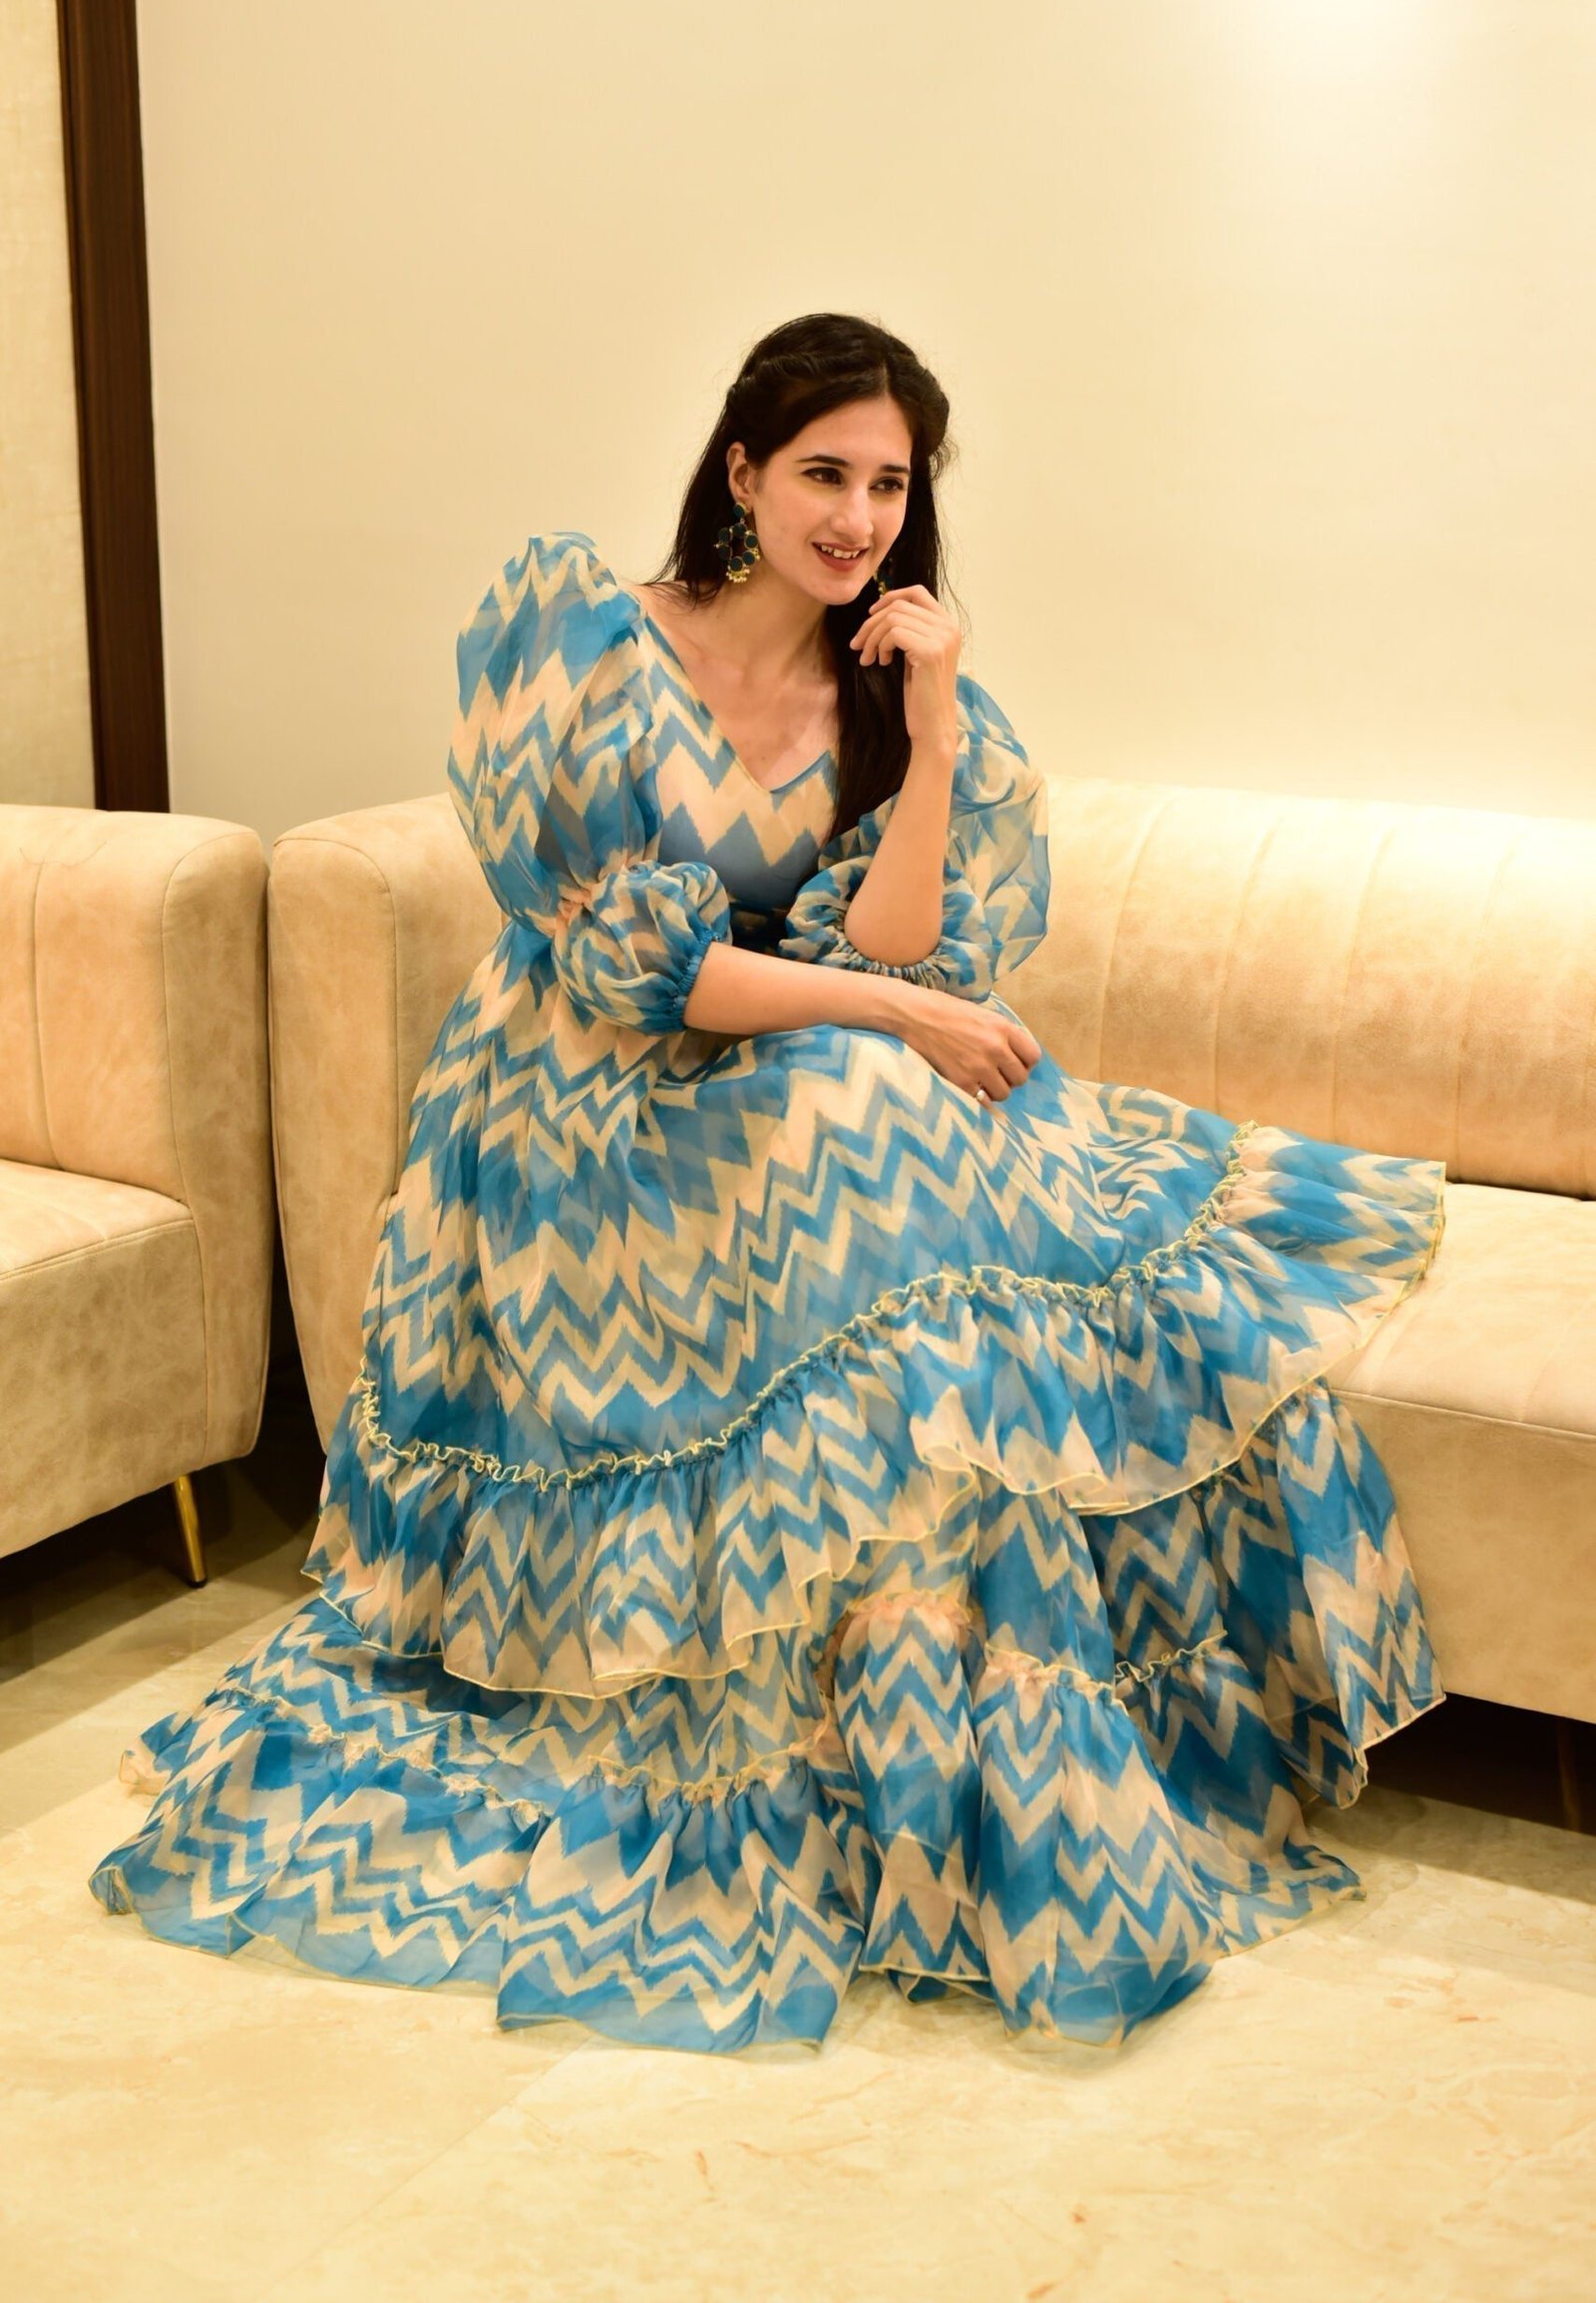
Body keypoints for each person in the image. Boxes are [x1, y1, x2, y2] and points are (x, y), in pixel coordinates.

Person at [89, 309, 1447, 2055]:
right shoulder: (587, 648)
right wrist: (897, 1013)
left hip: (787, 1077)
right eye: (825, 473)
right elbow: (643, 975)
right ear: (741, 470)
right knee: (871, 1096)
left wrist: (932, 733)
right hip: (586, 1103)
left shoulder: (883, 694)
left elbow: (896, 940)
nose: (859, 517)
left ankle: (947, 1726)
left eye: (890, 484)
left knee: (888, 1129)